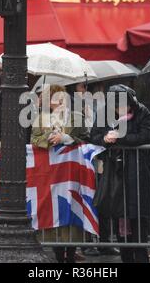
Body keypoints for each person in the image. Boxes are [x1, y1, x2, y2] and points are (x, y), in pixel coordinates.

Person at [91, 84, 150, 263]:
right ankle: (126, 257)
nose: (121, 110)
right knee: (120, 215)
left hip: (137, 169)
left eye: (124, 105)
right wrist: (104, 139)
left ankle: (141, 257)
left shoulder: (142, 112)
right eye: (117, 107)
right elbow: (94, 136)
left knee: (138, 216)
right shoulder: (104, 113)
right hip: (114, 172)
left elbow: (145, 136)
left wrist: (120, 137)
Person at [31, 84, 89, 263]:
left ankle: (71, 257)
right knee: (55, 214)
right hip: (51, 176)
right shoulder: (40, 119)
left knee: (71, 212)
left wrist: (67, 139)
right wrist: (50, 138)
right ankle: (58, 257)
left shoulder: (77, 118)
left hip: (71, 175)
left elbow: (88, 140)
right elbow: (34, 140)